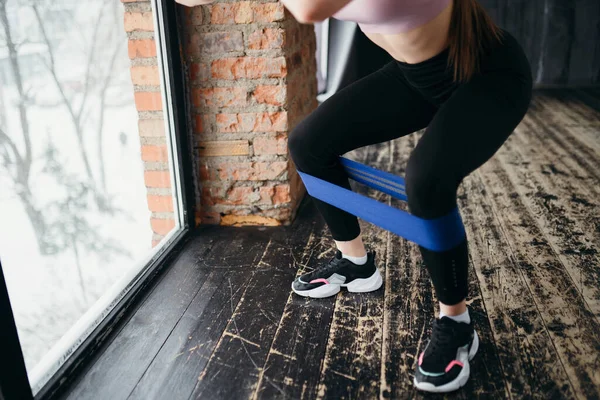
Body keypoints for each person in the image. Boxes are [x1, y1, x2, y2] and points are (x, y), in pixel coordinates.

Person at [176, 0, 532, 393]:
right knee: (309, 144)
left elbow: (309, 9)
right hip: (416, 77)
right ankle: (356, 262)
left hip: (487, 75)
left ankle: (457, 323)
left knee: (426, 182)